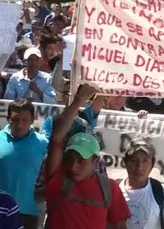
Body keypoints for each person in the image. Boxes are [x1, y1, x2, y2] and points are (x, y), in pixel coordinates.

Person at [44, 84, 129, 229]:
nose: (73, 165)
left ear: (95, 161)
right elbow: (56, 140)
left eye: (81, 160)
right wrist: (79, 100)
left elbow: (119, 226)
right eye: (70, 158)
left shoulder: (110, 189)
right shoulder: (58, 179)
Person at [0, 99, 48, 229]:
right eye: (15, 119)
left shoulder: (43, 144)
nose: (19, 125)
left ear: (33, 120)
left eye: (25, 120)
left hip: (28, 213)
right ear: (8, 118)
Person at [120, 135, 164, 229]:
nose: (139, 167)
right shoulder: (113, 192)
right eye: (134, 160)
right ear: (125, 162)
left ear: (153, 163)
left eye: (145, 161)